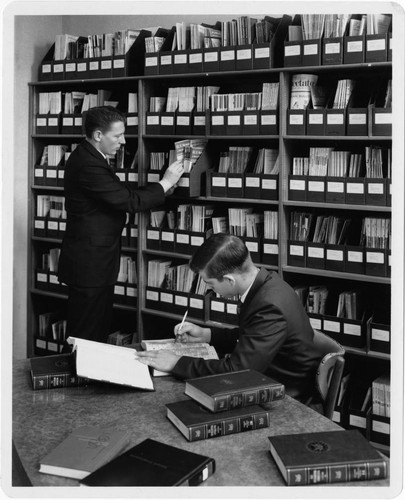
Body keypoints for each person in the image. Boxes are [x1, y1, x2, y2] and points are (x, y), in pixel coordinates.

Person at [136, 233, 323, 401]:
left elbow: (238, 372)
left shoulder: (268, 305)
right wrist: (207, 335)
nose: (209, 289)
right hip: (271, 372)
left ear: (229, 280)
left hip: (284, 393)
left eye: (209, 283)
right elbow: (252, 336)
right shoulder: (267, 282)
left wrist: (177, 362)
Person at [58, 106, 184, 344]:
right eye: (117, 136)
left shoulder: (93, 156)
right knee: (86, 336)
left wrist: (162, 189)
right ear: (98, 135)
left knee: (95, 329)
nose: (123, 141)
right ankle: (81, 380)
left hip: (95, 262)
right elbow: (127, 200)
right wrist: (165, 182)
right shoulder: (88, 164)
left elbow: (120, 193)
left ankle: (88, 378)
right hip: (89, 266)